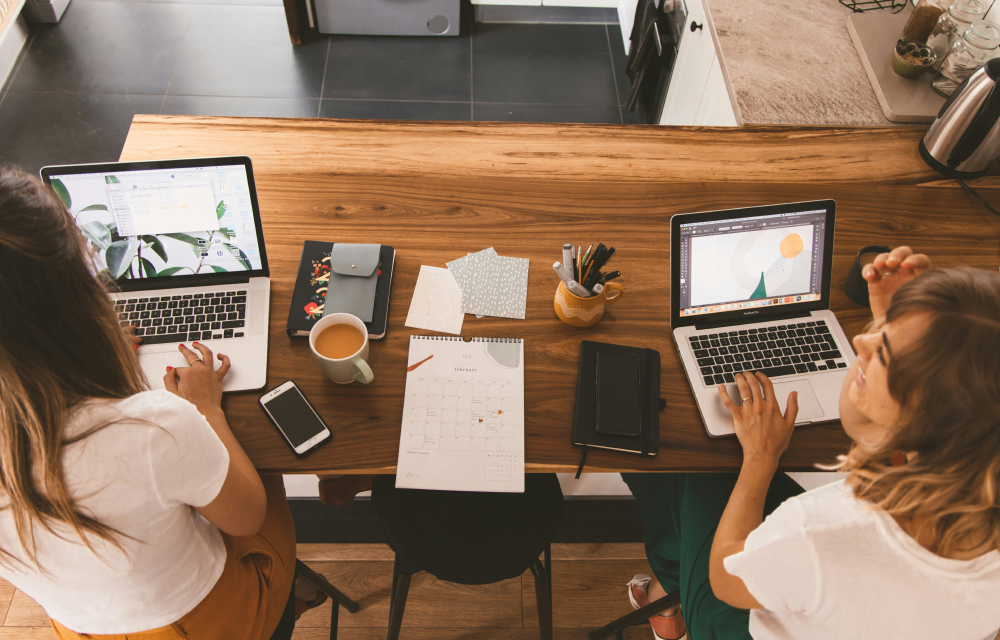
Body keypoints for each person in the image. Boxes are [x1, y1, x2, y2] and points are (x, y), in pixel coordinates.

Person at [0, 167, 324, 639]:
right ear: (72, 303)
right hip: (208, 623)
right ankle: (283, 595)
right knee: (261, 471)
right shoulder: (156, 429)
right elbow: (246, 516)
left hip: (83, 628)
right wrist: (206, 409)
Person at [623, 247, 1000, 640]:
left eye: (883, 353)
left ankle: (672, 600)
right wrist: (895, 324)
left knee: (687, 462)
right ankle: (666, 594)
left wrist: (760, 458)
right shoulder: (970, 463)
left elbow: (724, 577)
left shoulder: (819, 530)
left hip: (736, 616)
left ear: (926, 415)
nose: (860, 341)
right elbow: (863, 426)